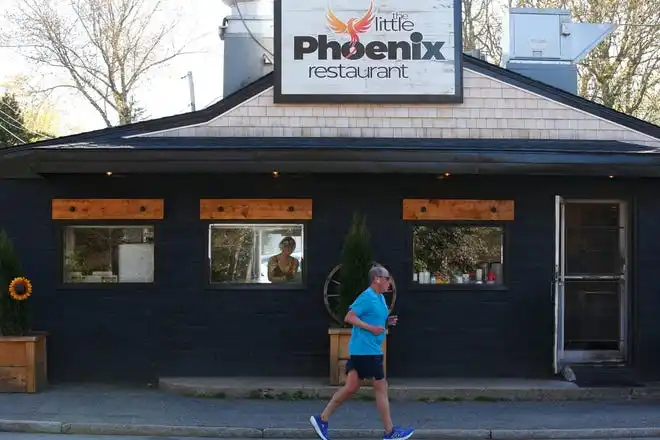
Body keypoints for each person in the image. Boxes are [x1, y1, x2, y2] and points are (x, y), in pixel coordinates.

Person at [310, 266, 415, 440]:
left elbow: (373, 318)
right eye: (387, 278)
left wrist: (386, 321)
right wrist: (371, 328)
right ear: (377, 279)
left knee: (350, 387)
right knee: (381, 388)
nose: (390, 282)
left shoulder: (380, 298)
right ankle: (390, 432)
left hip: (365, 350)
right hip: (367, 351)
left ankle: (322, 419)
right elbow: (349, 317)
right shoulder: (367, 296)